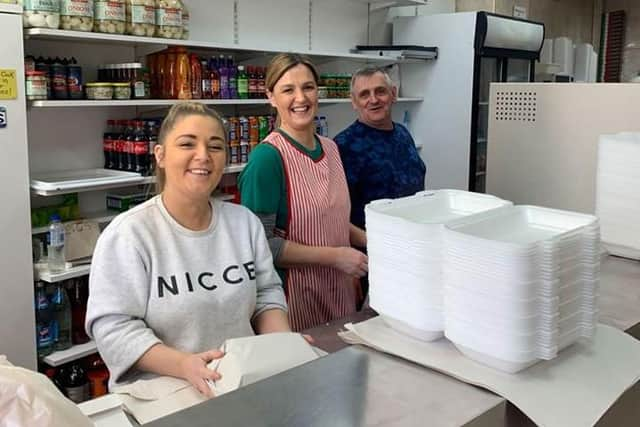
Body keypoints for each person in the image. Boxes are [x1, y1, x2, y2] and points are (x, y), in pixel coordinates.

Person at [86, 102, 290, 396]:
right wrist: (184, 365)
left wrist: (284, 346)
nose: (203, 156)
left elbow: (267, 294)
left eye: (215, 146)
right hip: (161, 395)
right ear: (161, 155)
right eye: (187, 144)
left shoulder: (244, 223)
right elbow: (113, 328)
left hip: (239, 385)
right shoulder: (130, 234)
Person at [238, 53, 368, 332]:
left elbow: (327, 218)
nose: (301, 98)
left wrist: (371, 241)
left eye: (308, 87)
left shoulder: (331, 148)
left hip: (340, 288)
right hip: (294, 300)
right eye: (288, 90)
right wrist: (337, 257)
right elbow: (262, 245)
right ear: (271, 96)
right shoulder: (267, 159)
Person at [334, 66, 426, 231]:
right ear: (354, 102)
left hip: (414, 235)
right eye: (364, 95)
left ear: (393, 94)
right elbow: (336, 215)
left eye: (380, 91)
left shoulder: (403, 134)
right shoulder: (343, 146)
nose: (374, 100)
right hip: (372, 246)